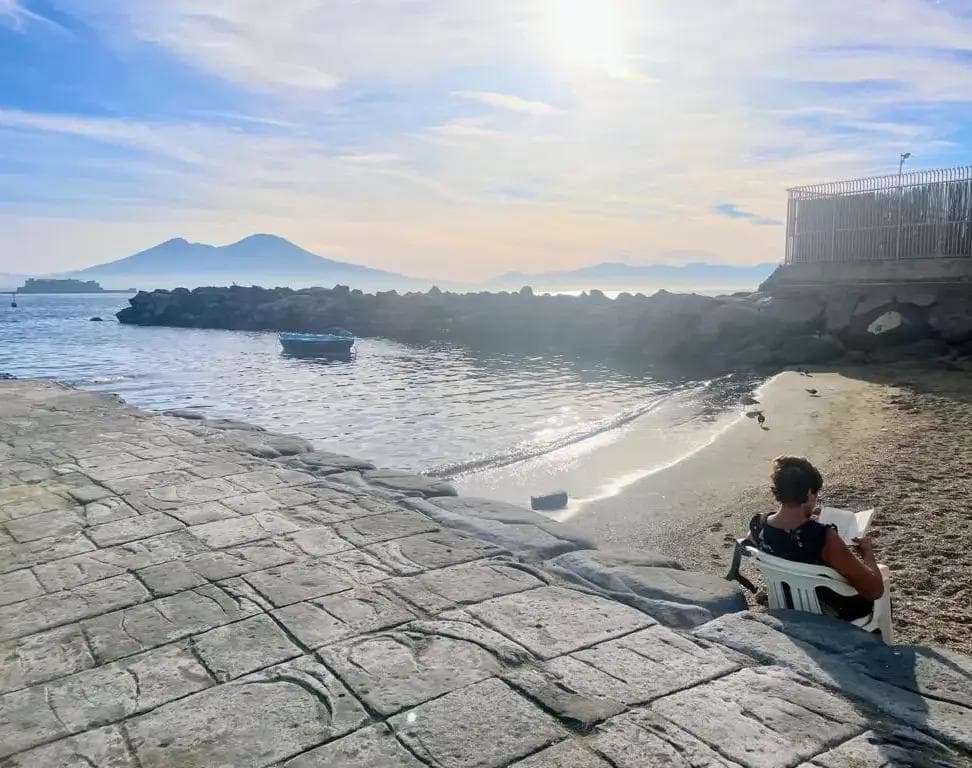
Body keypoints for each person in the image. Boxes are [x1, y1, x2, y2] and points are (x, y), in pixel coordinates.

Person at [747, 456, 884, 621]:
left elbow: (749, 546)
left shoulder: (759, 526)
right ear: (809, 493)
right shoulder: (823, 538)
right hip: (828, 611)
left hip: (784, 601)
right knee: (881, 582)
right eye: (816, 494)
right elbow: (874, 591)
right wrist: (868, 554)